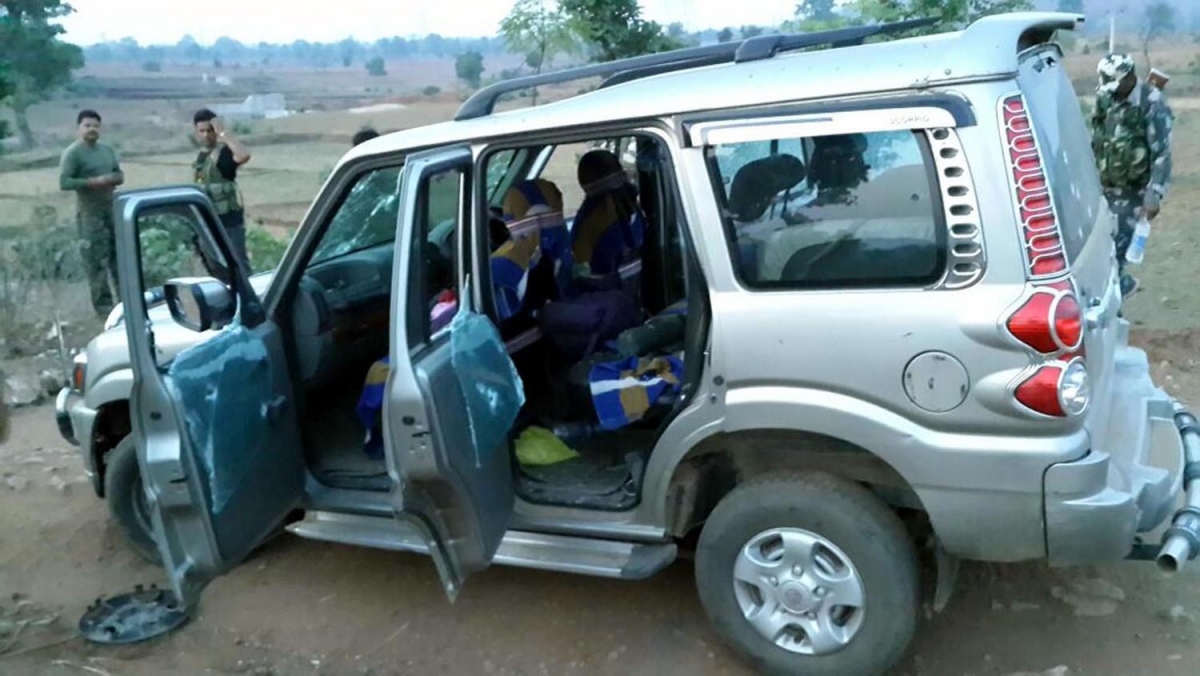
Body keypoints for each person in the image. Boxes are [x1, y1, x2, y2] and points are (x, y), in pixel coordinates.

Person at [1091, 54, 1174, 299]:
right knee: (1098, 249)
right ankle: (1119, 287)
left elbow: (1161, 153)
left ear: (1129, 77)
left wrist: (1154, 193)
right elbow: (1096, 138)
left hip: (1133, 191)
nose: (1113, 92)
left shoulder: (1151, 102)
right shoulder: (1105, 97)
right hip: (1104, 187)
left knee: (1116, 251)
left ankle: (1115, 297)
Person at [59, 109, 124, 316]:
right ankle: (104, 309)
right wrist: (91, 182)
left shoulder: (107, 150)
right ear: (79, 128)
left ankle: (126, 303)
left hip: (112, 210)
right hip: (89, 214)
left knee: (120, 258)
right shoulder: (73, 153)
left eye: (95, 126)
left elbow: (119, 175)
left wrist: (110, 179)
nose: (92, 129)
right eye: (87, 126)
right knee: (95, 262)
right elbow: (64, 182)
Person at [192, 108, 253, 271]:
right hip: (208, 221)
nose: (206, 135)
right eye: (202, 131)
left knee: (238, 266)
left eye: (210, 130)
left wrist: (224, 133)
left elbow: (243, 155)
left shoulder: (224, 153)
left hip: (229, 222)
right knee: (215, 267)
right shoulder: (201, 157)